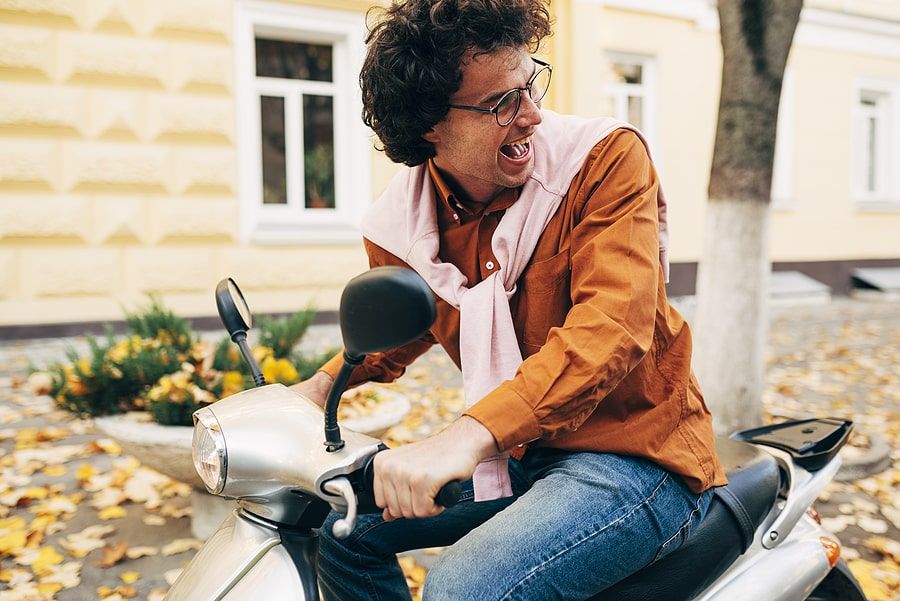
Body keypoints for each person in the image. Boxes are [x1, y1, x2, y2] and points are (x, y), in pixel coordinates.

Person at [291, 1, 727, 599]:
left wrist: (464, 436)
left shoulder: (602, 161)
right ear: (428, 125)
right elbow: (405, 323)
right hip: (520, 453)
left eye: (529, 85)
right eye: (501, 103)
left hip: (634, 454)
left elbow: (612, 330)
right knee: (339, 529)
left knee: (460, 588)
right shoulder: (402, 223)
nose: (531, 115)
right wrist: (316, 389)